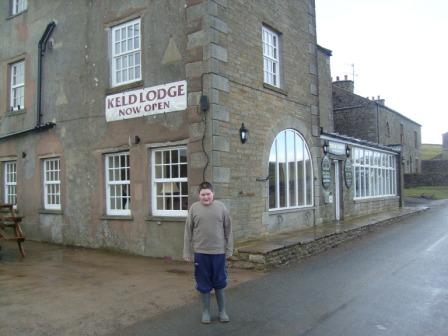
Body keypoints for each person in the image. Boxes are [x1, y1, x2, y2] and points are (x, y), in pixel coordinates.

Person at [183, 181, 233, 324]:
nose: (206, 197)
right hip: (201, 253)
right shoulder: (194, 209)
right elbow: (188, 231)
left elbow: (229, 229)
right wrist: (187, 251)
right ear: (199, 195)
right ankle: (206, 312)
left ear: (213, 194)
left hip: (219, 252)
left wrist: (229, 249)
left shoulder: (221, 208)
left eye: (208, 194)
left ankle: (222, 311)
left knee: (220, 281)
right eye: (203, 194)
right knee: (203, 283)